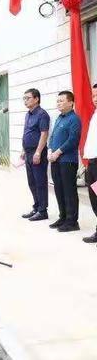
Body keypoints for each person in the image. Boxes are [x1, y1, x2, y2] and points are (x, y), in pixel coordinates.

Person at [48, 91, 82, 232]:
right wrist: (50, 150)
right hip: (55, 160)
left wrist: (58, 152)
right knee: (59, 189)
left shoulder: (74, 119)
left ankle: (72, 221)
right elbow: (53, 136)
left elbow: (73, 140)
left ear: (71, 102)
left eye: (61, 101)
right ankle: (63, 217)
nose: (59, 103)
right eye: (57, 101)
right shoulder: (59, 118)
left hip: (67, 161)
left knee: (69, 191)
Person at [20, 89, 51, 221]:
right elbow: (26, 131)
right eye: (24, 99)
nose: (25, 101)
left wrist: (38, 152)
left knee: (40, 182)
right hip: (28, 152)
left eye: (28, 98)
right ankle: (37, 207)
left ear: (36, 99)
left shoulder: (42, 114)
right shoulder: (28, 114)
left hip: (37, 152)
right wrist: (23, 149)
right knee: (31, 182)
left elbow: (44, 133)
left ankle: (43, 211)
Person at [83, 84, 97, 243]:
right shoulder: (94, 115)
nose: (95, 99)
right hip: (92, 163)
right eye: (93, 96)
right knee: (94, 198)